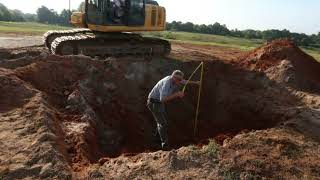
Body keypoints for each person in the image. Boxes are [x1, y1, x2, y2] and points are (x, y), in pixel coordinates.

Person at [147, 70, 200, 150]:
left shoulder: (175, 80)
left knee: (161, 121)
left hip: (158, 103)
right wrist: (177, 94)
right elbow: (163, 99)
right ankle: (165, 146)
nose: (180, 81)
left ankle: (156, 140)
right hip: (154, 103)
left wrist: (195, 83)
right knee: (163, 123)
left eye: (180, 79)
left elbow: (184, 81)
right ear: (173, 77)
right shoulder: (166, 83)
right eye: (178, 80)